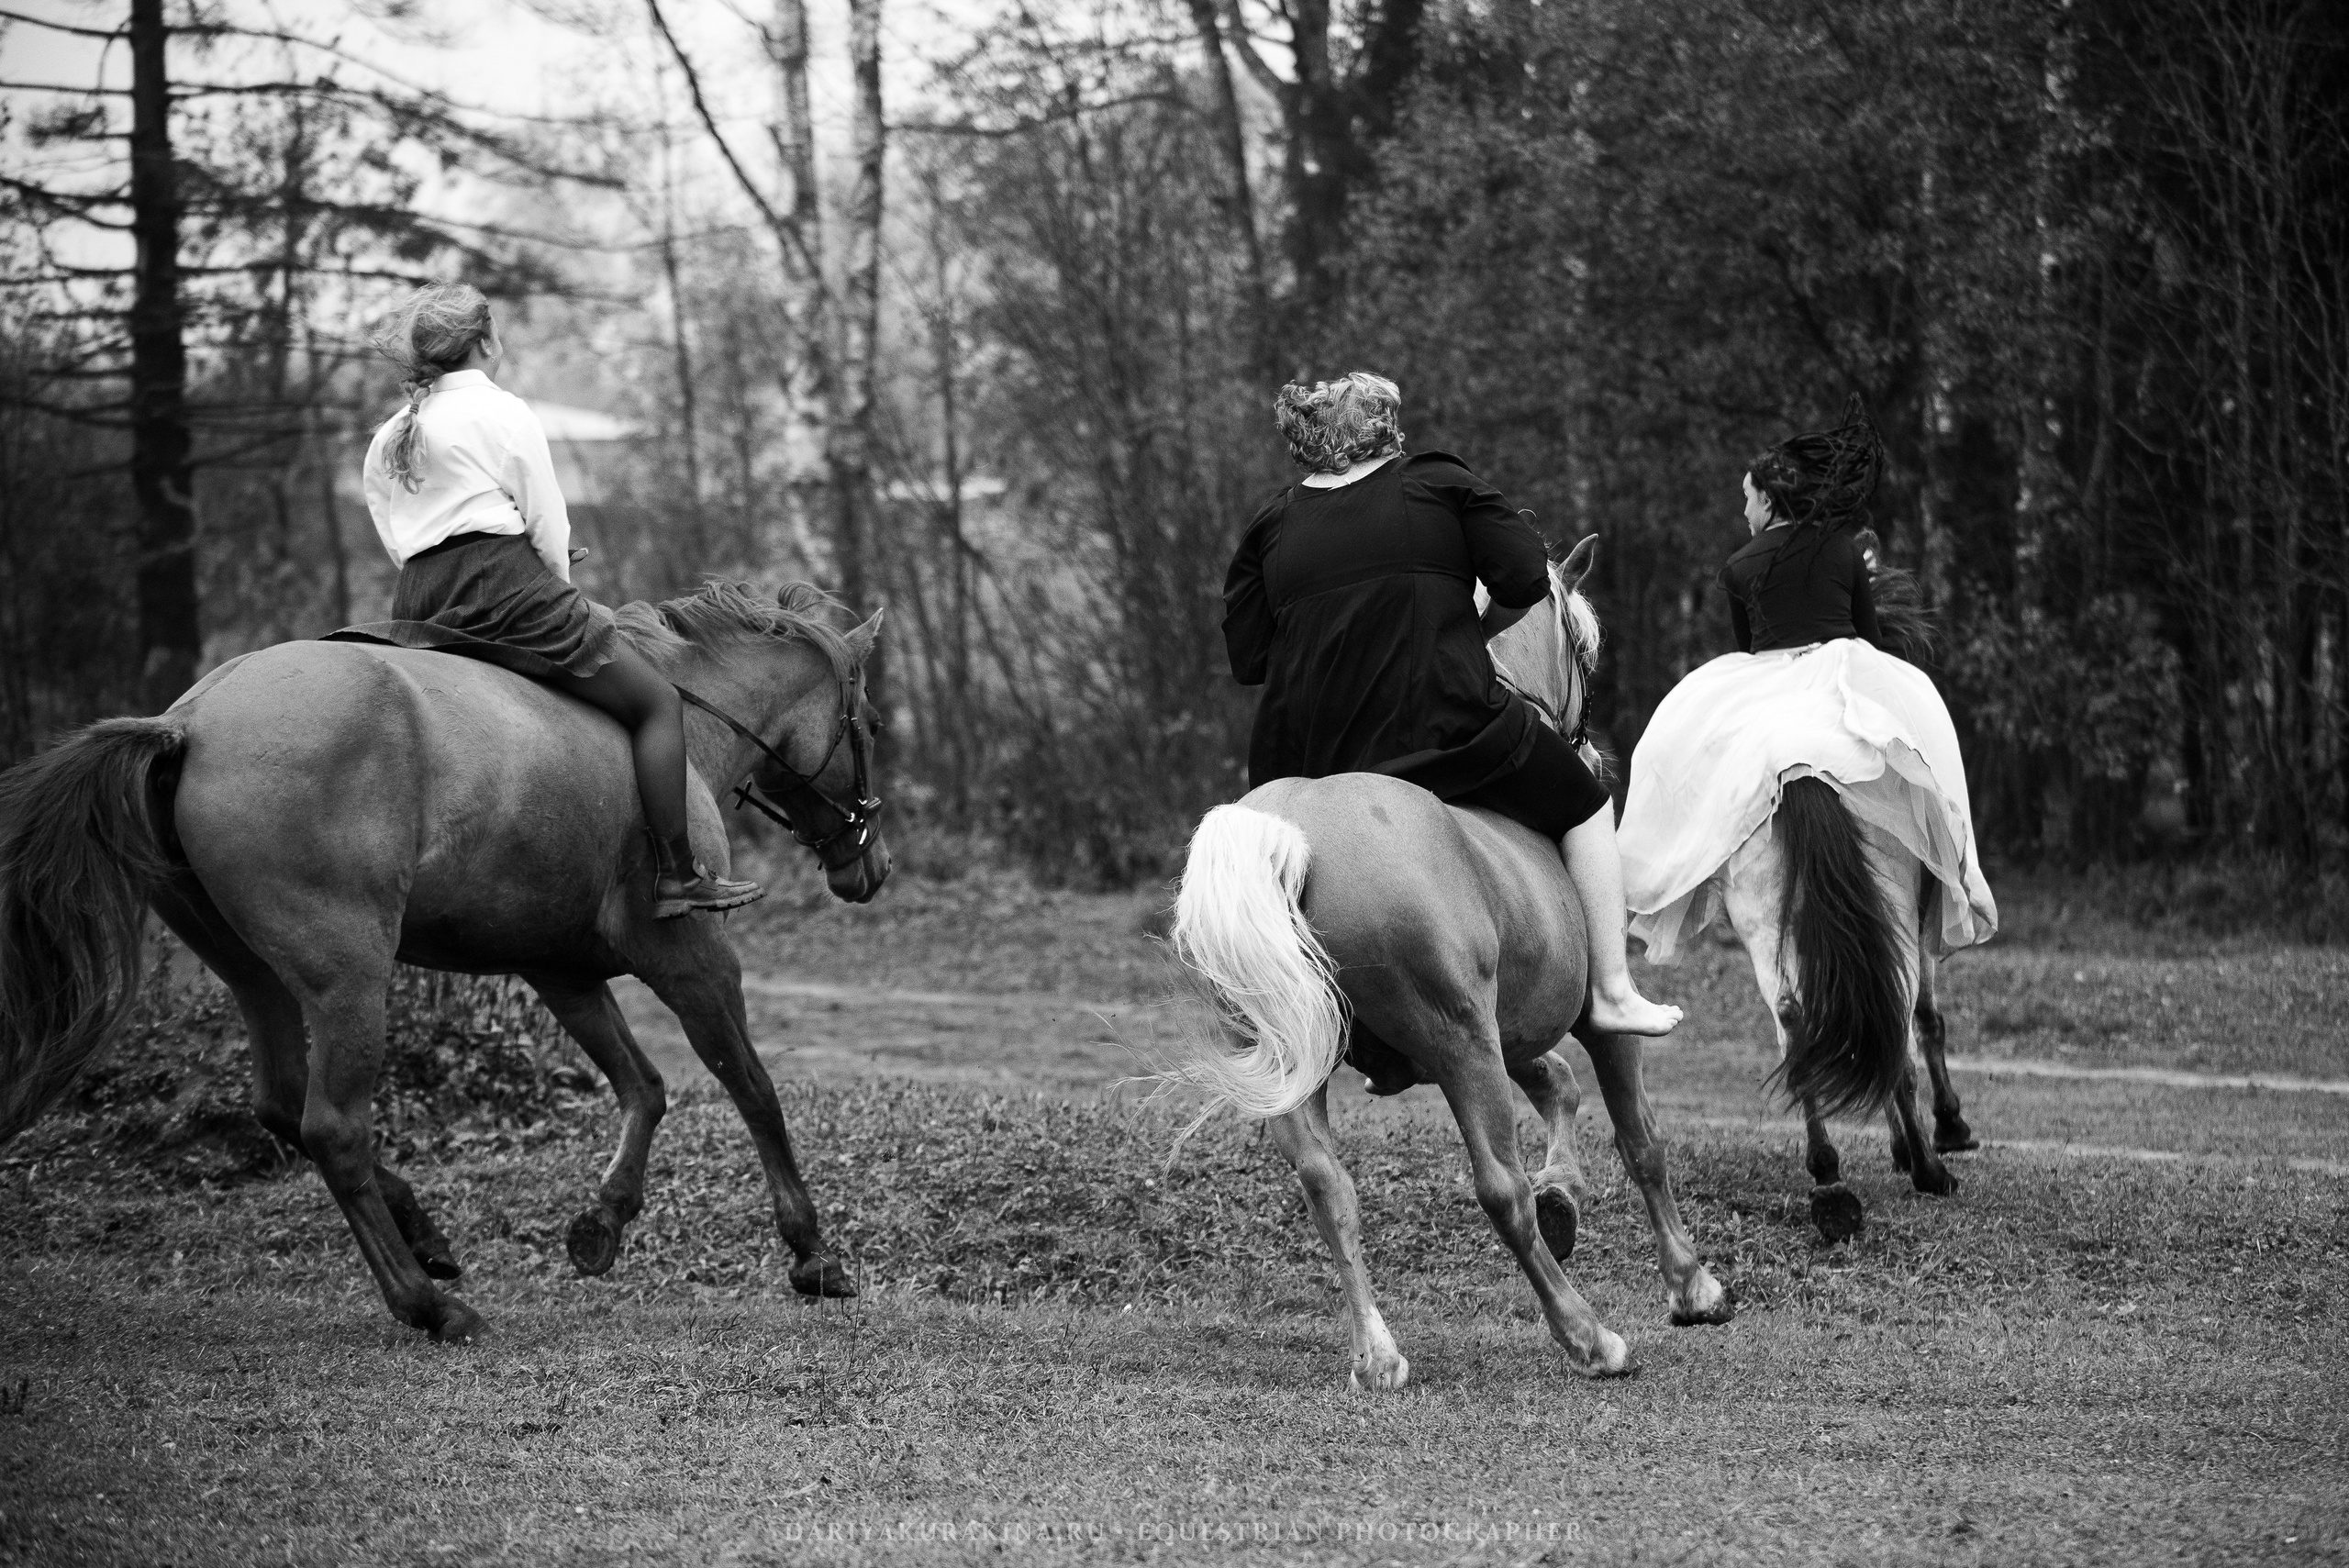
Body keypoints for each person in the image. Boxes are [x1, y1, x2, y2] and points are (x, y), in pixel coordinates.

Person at [1221, 372, 1680, 1038]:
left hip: (1304, 760)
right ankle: (1611, 989)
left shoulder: (1270, 521)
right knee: (1586, 801)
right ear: (1386, 429)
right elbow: (1525, 578)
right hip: (1442, 731)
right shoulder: (1437, 482)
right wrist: (1475, 633)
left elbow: (1248, 659)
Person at [347, 282, 760, 918]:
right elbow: (547, 523)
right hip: (510, 591)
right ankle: (678, 873)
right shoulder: (503, 412)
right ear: (485, 340)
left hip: (421, 596)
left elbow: (402, 539)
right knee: (656, 703)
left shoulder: (391, 435)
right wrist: (563, 590)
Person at [1616, 400, 1995, 960]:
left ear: (1768, 499)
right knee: (1925, 728)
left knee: (1670, 751)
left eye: (1747, 497)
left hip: (1766, 677)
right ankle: (1959, 866)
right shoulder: (1841, 550)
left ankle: (1682, 868)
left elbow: (1750, 649)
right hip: (1845, 664)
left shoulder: (1738, 567)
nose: (1743, 510)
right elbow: (1866, 634)